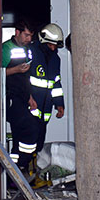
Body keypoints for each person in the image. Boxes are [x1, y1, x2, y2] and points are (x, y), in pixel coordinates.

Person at [2, 20, 38, 171]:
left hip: (23, 97)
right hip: (10, 97)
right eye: (26, 35)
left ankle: (15, 169)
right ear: (17, 32)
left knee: (19, 134)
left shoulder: (27, 49)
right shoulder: (6, 48)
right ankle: (21, 163)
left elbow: (26, 76)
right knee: (30, 127)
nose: (29, 39)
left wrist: (30, 97)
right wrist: (16, 69)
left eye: (30, 36)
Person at [28, 23, 65, 153]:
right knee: (27, 142)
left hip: (45, 109)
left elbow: (56, 84)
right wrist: (28, 97)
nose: (53, 48)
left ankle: (33, 164)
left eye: (56, 45)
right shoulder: (30, 52)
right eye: (51, 45)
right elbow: (22, 79)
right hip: (30, 107)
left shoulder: (56, 60)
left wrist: (59, 104)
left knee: (39, 142)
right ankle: (22, 168)